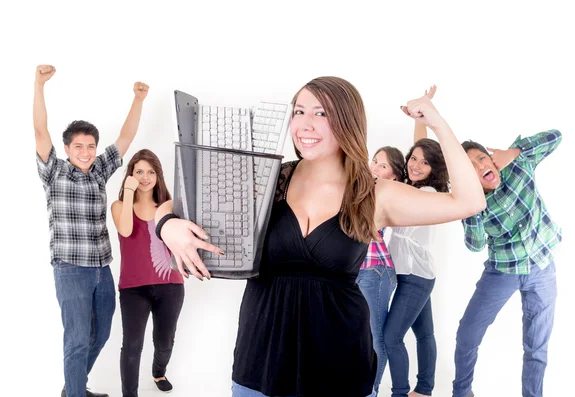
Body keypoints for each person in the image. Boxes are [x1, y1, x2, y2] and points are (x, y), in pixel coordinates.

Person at [155, 76, 486, 396]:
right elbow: (178, 202)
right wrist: (167, 225)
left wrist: (438, 123)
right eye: (299, 111)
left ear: (347, 121)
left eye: (321, 113)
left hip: (341, 368)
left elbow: (469, 201)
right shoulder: (266, 179)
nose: (305, 124)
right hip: (260, 363)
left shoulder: (374, 194)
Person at [33, 64, 149, 397]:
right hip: (71, 270)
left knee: (100, 335)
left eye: (90, 146)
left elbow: (125, 139)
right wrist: (39, 84)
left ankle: (73, 389)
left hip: (101, 269)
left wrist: (138, 99)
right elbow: (41, 131)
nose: (86, 152)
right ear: (67, 149)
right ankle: (74, 393)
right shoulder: (54, 172)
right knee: (77, 339)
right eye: (78, 147)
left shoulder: (99, 170)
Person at [452, 129, 562, 397]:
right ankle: (462, 392)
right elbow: (475, 245)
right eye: (471, 168)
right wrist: (471, 203)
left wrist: (513, 153)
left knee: (536, 346)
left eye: (481, 159)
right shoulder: (474, 201)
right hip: (503, 271)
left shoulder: (517, 166)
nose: (481, 167)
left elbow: (555, 137)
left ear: (492, 158)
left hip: (542, 266)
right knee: (467, 335)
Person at [384, 86, 449, 397]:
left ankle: (402, 392)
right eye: (413, 159)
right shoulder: (413, 187)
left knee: (390, 337)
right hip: (417, 275)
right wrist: (419, 116)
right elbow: (417, 148)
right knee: (424, 335)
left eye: (424, 163)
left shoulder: (427, 194)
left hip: (415, 278)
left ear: (435, 169)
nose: (415, 165)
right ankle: (424, 390)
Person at [111, 149, 185, 397]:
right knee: (132, 345)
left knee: (164, 341)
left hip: (170, 285)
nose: (145, 177)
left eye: (151, 171)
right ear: (130, 174)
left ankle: (158, 372)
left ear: (158, 175)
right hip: (133, 288)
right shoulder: (120, 206)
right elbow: (125, 230)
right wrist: (129, 191)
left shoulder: (170, 207)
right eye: (139, 171)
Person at [356, 145, 405, 395]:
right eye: (374, 161)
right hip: (358, 271)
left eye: (382, 165)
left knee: (375, 337)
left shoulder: (383, 193)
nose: (374, 167)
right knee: (357, 335)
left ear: (394, 176)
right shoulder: (363, 188)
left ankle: (371, 391)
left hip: (375, 270)